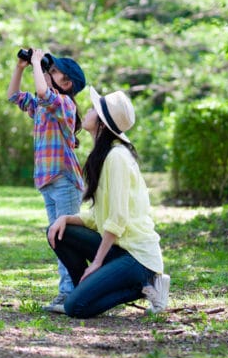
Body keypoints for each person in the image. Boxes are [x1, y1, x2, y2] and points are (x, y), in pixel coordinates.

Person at [46, 86, 170, 317]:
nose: (88, 111)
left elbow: (117, 219)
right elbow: (98, 217)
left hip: (137, 257)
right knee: (59, 231)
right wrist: (65, 218)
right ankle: (83, 289)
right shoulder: (103, 156)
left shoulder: (117, 157)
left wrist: (96, 263)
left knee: (76, 308)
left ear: (102, 123)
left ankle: (147, 286)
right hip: (119, 249)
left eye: (94, 109)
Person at [7, 47, 87, 313]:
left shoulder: (65, 104)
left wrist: (39, 63)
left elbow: (44, 93)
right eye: (47, 71)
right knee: (57, 240)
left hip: (64, 180)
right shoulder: (42, 106)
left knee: (65, 238)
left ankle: (70, 292)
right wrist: (21, 68)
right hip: (47, 181)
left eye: (53, 72)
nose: (46, 73)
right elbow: (14, 96)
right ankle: (67, 291)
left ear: (66, 84)